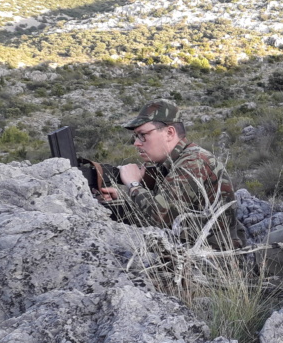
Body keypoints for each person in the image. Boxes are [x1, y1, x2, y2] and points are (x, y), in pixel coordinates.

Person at [100, 98, 240, 250]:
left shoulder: (194, 162)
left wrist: (133, 185)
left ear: (169, 133)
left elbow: (158, 217)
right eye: (136, 136)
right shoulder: (170, 163)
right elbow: (168, 211)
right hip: (192, 252)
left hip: (213, 259)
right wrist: (122, 197)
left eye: (142, 135)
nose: (136, 143)